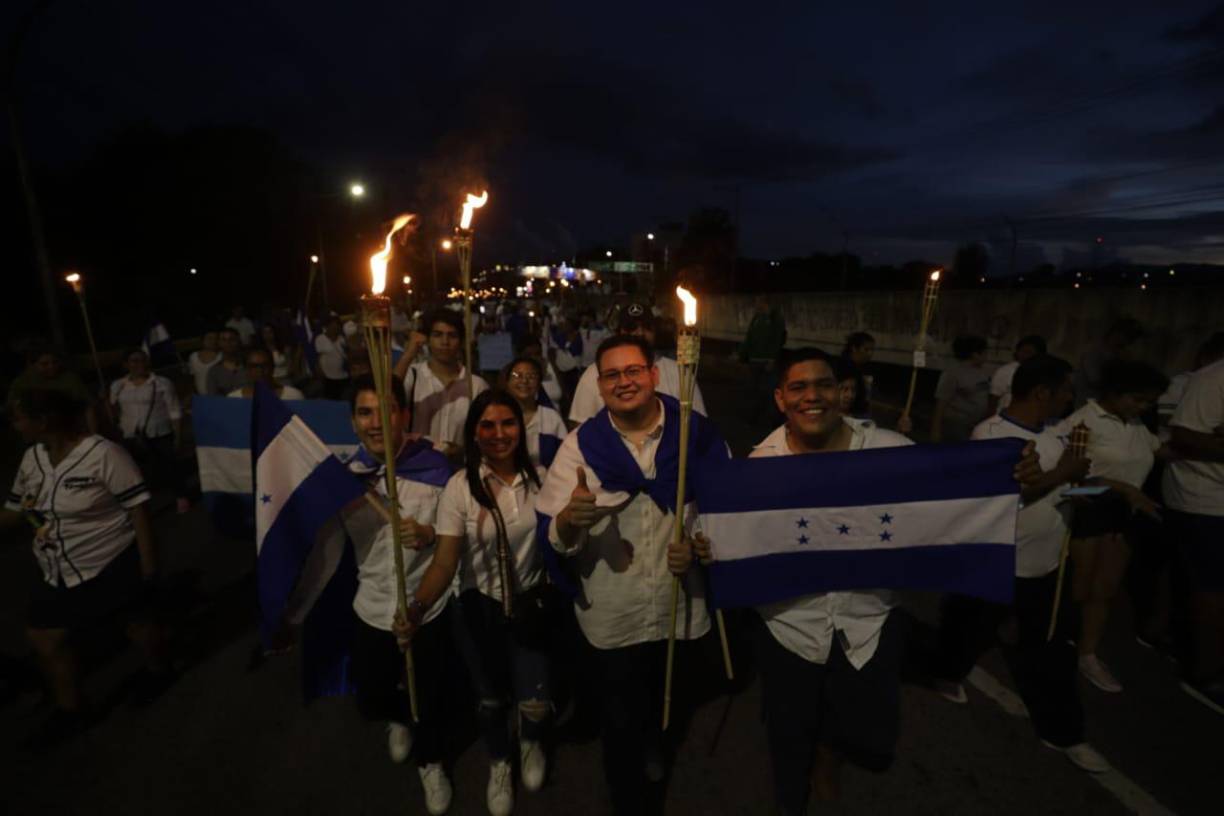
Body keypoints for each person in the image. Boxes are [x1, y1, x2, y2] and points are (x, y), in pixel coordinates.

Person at [537, 334, 723, 814]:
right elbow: (553, 533)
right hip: (613, 611)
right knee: (619, 718)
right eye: (612, 375)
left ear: (655, 375)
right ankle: (628, 796)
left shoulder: (695, 434)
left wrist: (699, 545)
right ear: (599, 386)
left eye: (633, 371)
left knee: (669, 698)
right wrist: (570, 518)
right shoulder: (581, 447)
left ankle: (655, 745)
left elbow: (726, 507)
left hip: (678, 607)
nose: (624, 382)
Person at [731, 348, 913, 812]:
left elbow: (959, 497)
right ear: (780, 399)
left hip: (867, 620)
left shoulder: (890, 451)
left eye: (824, 385)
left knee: (866, 731)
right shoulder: (758, 465)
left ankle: (828, 758)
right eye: (798, 387)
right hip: (789, 626)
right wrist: (704, 546)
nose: (812, 396)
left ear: (842, 393)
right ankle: (793, 798)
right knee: (789, 735)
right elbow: (732, 536)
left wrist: (1011, 476)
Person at [932, 355, 1110, 773]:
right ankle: (947, 671)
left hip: (1045, 567)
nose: (1070, 398)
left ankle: (1064, 732)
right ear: (1042, 392)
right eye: (1066, 391)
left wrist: (1086, 491)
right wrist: (1062, 474)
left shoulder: (1055, 436)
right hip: (996, 561)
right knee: (968, 631)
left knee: (1052, 652)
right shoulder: (990, 434)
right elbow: (999, 497)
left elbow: (1061, 488)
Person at [397, 390, 555, 816]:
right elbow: (445, 561)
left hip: (530, 606)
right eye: (487, 425)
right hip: (478, 608)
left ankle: (530, 742)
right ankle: (500, 762)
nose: (499, 433)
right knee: (489, 700)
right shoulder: (460, 488)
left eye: (508, 423)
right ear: (473, 433)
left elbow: (560, 542)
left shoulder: (542, 479)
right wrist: (417, 607)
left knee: (535, 700)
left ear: (521, 428)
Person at [2, 390, 171, 746]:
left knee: (137, 626)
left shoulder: (104, 454)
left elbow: (138, 511)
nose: (14, 426)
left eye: (18, 419)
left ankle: (159, 670)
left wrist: (148, 568)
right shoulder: (32, 458)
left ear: (43, 421)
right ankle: (73, 710)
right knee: (44, 636)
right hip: (57, 569)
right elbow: (15, 511)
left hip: (108, 562)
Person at [334, 375, 454, 814]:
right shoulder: (344, 481)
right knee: (371, 697)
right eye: (365, 412)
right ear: (352, 421)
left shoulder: (436, 469)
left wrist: (428, 534)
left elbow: (455, 538)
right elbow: (325, 552)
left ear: (404, 415)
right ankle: (397, 716)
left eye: (386, 411)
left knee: (431, 697)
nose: (375, 422)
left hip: (427, 606)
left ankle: (431, 762)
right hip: (372, 608)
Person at [1055, 360, 1169, 693]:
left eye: (1149, 402)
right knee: (1078, 588)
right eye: (1138, 399)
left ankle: (1087, 655)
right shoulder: (1082, 422)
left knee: (1104, 590)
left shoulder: (1136, 424)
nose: (1143, 407)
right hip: (1087, 513)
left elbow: (1161, 451)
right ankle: (1052, 644)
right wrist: (1120, 489)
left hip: (1125, 517)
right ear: (1115, 392)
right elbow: (1068, 486)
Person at [1162, 351, 1224, 714]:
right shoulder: (1214, 378)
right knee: (1211, 588)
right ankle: (1206, 673)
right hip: (1206, 500)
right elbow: (1184, 434)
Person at [567, 302, 707, 427]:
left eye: (646, 327)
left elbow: (699, 423)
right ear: (618, 332)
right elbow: (580, 428)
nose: (639, 333)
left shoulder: (679, 372)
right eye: (631, 327)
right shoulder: (594, 373)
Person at [394, 308, 490, 459]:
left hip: (460, 467)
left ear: (461, 342)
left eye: (452, 336)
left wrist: (463, 451)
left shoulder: (477, 385)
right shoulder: (412, 376)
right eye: (437, 335)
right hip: (419, 466)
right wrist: (409, 354)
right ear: (427, 339)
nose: (445, 342)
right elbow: (386, 397)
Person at [109, 349, 189, 512]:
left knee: (171, 465)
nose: (139, 364)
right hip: (130, 435)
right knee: (136, 470)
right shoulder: (118, 385)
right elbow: (114, 409)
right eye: (134, 361)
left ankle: (180, 495)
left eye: (142, 360)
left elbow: (174, 410)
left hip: (159, 432)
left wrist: (178, 435)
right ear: (126, 365)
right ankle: (141, 502)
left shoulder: (161, 383)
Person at [502, 356, 568, 468]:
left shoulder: (551, 418)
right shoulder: (498, 416)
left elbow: (565, 458)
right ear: (507, 382)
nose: (524, 381)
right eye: (517, 375)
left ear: (539, 384)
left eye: (531, 376)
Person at [931, 335, 991, 443]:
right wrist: (936, 430)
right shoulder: (953, 373)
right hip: (957, 424)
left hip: (975, 424)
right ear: (975, 354)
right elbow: (941, 402)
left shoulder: (982, 371)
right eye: (984, 353)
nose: (986, 356)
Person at [1075, 316, 1144, 408]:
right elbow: (1095, 380)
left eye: (1133, 339)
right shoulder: (1094, 351)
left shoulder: (1120, 355)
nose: (1130, 342)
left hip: (1104, 404)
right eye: (1130, 337)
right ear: (1117, 333)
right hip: (1088, 403)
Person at [739, 299, 788, 421]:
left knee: (769, 390)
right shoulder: (757, 318)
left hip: (767, 361)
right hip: (754, 360)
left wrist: (772, 358)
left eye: (759, 302)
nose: (756, 305)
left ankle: (772, 417)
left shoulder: (775, 318)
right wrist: (743, 356)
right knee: (753, 389)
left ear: (765, 303)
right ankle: (754, 416)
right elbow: (749, 337)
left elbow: (778, 339)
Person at [6, 346, 92, 407]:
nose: (51, 366)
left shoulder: (71, 379)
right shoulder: (22, 382)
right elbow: (12, 405)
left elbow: (87, 403)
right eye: (44, 364)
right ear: (33, 365)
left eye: (55, 362)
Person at [988, 335, 1047, 416]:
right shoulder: (1005, 371)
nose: (1024, 355)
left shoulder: (1042, 374)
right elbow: (993, 399)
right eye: (1021, 351)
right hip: (1004, 418)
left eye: (1029, 352)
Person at [227, 349, 305, 400]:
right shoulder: (233, 398)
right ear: (246, 369)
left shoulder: (293, 395)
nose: (260, 370)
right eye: (254, 366)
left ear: (272, 368)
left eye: (264, 365)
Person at [204, 328, 248, 397]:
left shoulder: (249, 366)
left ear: (239, 341)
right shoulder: (214, 371)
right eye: (224, 340)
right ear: (219, 343)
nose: (228, 343)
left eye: (232, 339)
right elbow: (213, 399)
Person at [839, 331, 874, 418]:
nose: (870, 354)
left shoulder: (862, 369)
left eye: (872, 350)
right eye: (866, 349)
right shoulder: (844, 368)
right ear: (854, 348)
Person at [314, 316, 349, 400]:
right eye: (332, 326)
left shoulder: (342, 339)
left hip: (343, 376)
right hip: (328, 377)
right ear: (327, 326)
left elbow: (347, 355)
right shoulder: (320, 338)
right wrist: (319, 371)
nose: (335, 328)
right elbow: (318, 357)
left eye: (337, 326)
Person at [187, 331, 222, 396]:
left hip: (221, 396)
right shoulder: (193, 357)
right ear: (202, 340)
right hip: (202, 396)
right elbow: (193, 377)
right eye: (209, 338)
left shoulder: (222, 356)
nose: (213, 341)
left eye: (216, 338)